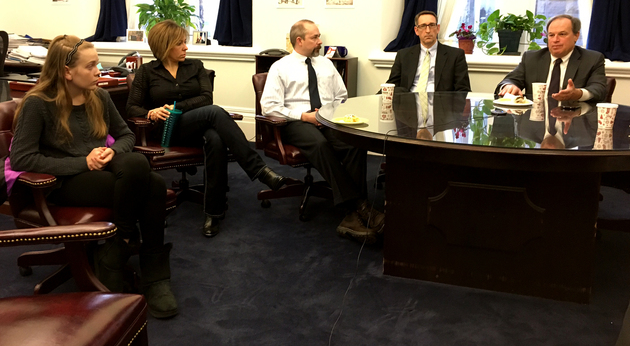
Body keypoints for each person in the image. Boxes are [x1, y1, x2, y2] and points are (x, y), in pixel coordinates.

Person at [10, 35, 177, 319]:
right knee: (154, 186)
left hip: (100, 169)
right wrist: (83, 162)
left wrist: (111, 152)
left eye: (97, 63)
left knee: (138, 165)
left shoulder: (99, 96)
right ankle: (151, 273)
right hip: (63, 181)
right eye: (90, 66)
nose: (98, 71)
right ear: (67, 72)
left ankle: (119, 247)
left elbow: (126, 135)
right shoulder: (37, 103)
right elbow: (21, 158)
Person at [126, 20, 285, 238]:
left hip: (194, 127)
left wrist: (176, 107)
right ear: (165, 46)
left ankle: (213, 212)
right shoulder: (147, 72)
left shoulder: (195, 66)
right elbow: (131, 107)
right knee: (214, 113)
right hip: (166, 132)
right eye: (180, 43)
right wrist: (151, 112)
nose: (186, 47)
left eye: (185, 42)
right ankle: (259, 170)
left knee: (215, 138)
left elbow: (205, 98)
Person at [260, 19, 384, 244]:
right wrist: (303, 116)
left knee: (354, 142)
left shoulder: (326, 64)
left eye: (319, 37)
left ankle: (353, 215)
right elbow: (269, 106)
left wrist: (330, 113)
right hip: (294, 122)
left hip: (327, 119)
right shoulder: (280, 67)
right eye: (315, 37)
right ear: (299, 40)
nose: (320, 41)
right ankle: (360, 207)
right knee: (319, 144)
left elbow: (342, 95)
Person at [496, 14, 607, 102]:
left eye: (562, 34)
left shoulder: (592, 59)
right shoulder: (532, 58)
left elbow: (599, 89)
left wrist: (579, 94)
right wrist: (509, 86)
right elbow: (510, 79)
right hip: (536, 121)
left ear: (576, 36)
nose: (555, 40)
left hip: (573, 120)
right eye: (551, 35)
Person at [384, 10, 471, 92]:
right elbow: (391, 86)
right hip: (409, 101)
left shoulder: (455, 55)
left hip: (441, 102)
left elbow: (463, 91)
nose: (428, 30)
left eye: (432, 25)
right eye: (423, 26)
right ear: (416, 30)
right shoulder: (403, 55)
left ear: (438, 28)